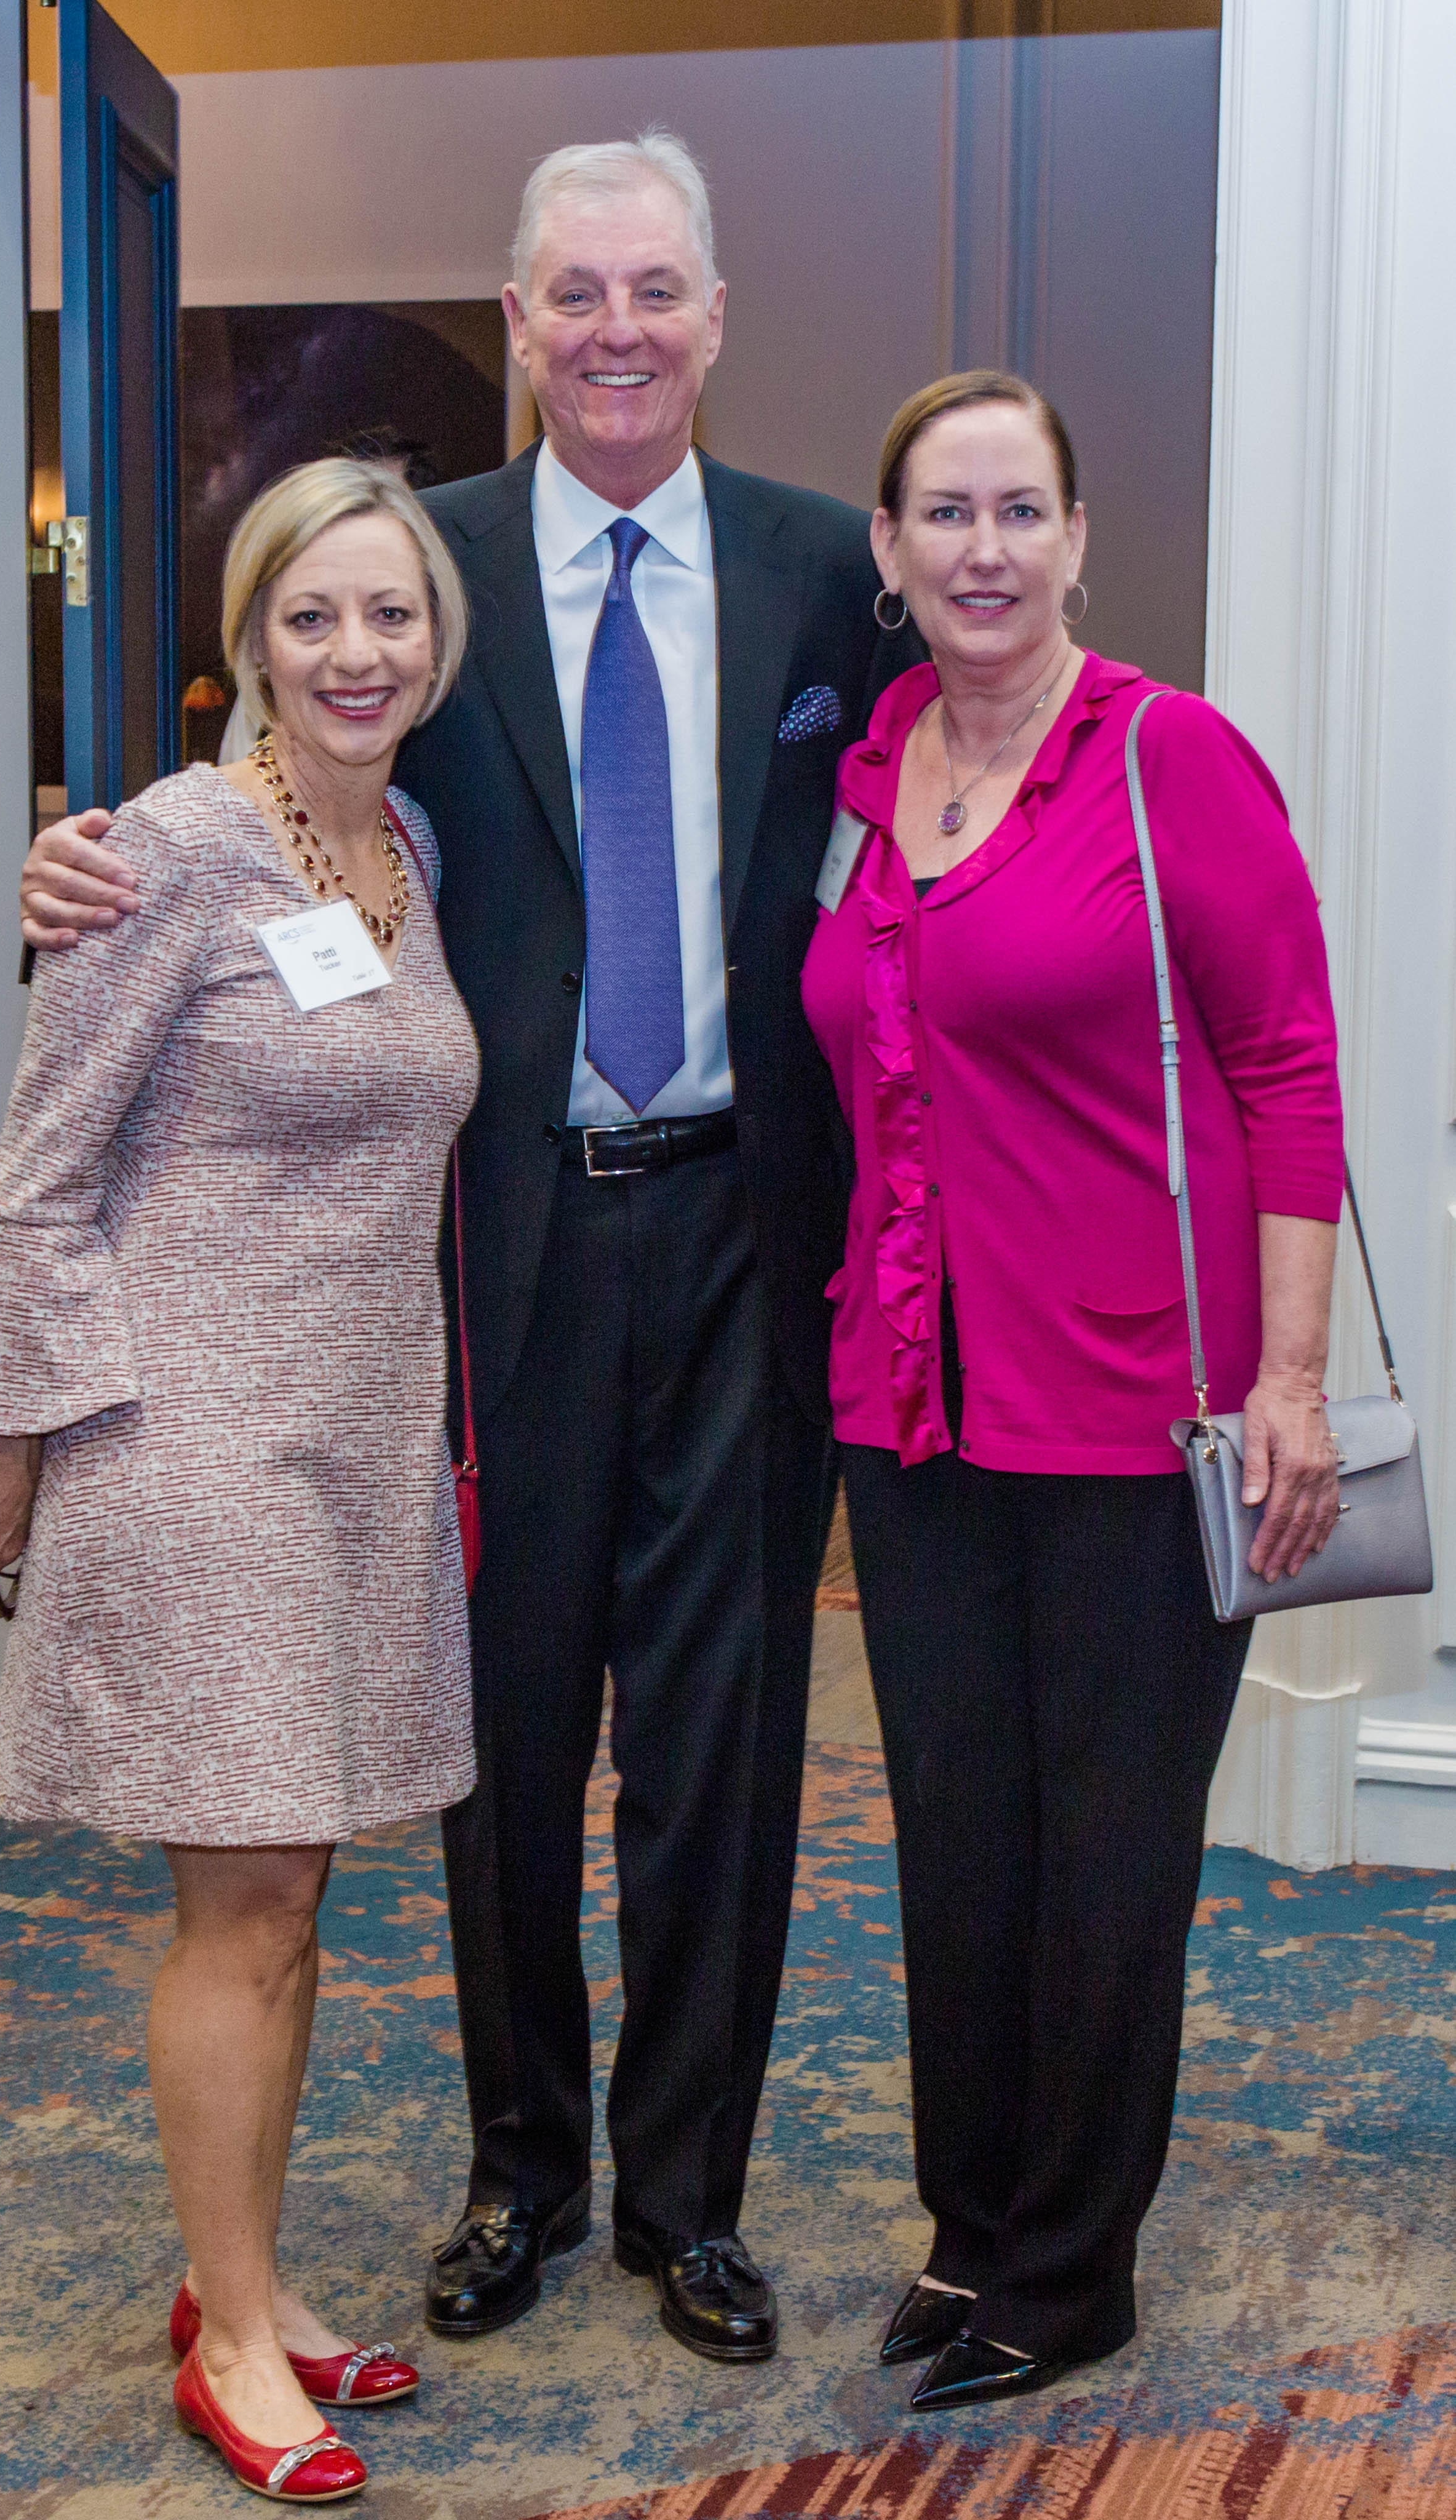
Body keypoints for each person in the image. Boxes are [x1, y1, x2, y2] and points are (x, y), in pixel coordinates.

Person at [15, 130, 925, 2364]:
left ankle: (688, 2198)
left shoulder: (834, 573)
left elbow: (976, 764)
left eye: (654, 290)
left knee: (721, 1739)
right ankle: (524, 2170)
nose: (616, 331)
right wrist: (88, 859)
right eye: (573, 294)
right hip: (485, 1250)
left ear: (714, 319)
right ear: (520, 324)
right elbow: (289, 795)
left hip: (747, 1232)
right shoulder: (428, 569)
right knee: (497, 1737)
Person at [0, 458, 478, 2501]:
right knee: (241, 1903)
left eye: (391, 614)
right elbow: (42, 1173)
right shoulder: (163, 849)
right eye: (311, 616)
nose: (356, 652)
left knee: (294, 1892)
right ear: (250, 639)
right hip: (197, 1447)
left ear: (439, 640)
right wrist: (13, 1450)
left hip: (360, 1440)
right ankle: (234, 2342)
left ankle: (239, 2276)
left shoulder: (406, 841)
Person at [800, 369, 1345, 2408]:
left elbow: (1287, 1065)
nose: (984, 550)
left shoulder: (1162, 756)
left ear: (1079, 537)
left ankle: (1073, 2263)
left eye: (1020, 510)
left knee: (1108, 1853)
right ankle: (972, 2228)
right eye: (944, 513)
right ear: (888, 548)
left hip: (1142, 1410)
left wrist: (1294, 1378)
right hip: (914, 1408)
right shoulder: (871, 774)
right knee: (958, 1837)